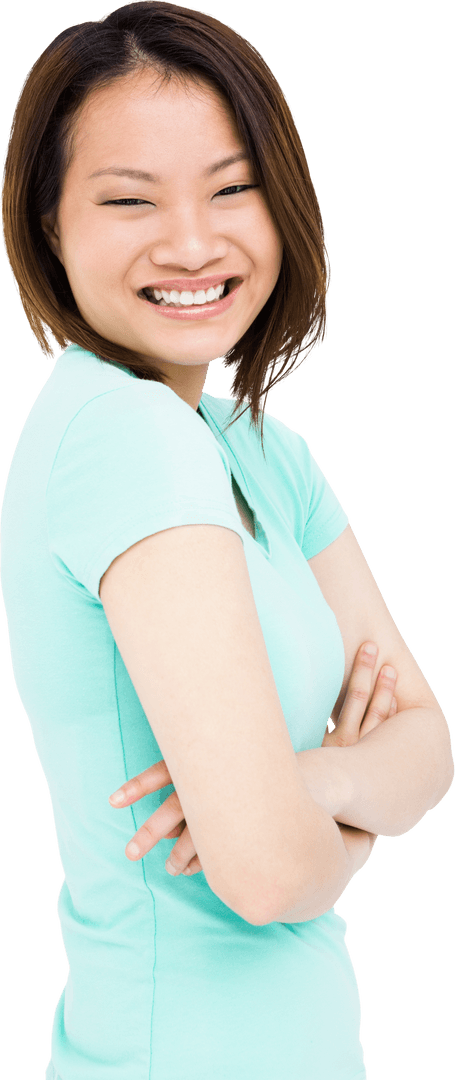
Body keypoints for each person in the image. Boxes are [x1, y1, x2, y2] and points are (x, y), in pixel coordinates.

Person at [0, 2, 452, 1078]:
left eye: (231, 188)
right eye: (128, 200)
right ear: (48, 225)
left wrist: (320, 787)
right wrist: (334, 797)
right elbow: (261, 877)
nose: (193, 243)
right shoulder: (124, 436)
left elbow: (429, 746)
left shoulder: (256, 448)